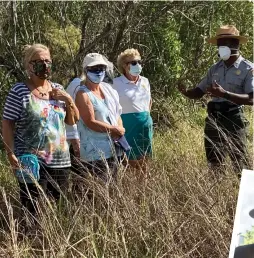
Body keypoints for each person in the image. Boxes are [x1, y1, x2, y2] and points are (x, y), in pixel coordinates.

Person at [1, 44, 79, 217]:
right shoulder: (19, 91)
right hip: (31, 161)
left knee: (59, 210)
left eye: (47, 61)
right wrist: (10, 153)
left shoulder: (58, 89)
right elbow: (7, 122)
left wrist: (67, 99)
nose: (44, 65)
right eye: (38, 61)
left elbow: (73, 120)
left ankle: (54, 243)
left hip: (61, 161)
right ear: (29, 65)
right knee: (33, 209)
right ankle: (33, 241)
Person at [178, 25, 253, 174]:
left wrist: (224, 94)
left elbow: (252, 98)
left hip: (234, 119)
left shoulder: (248, 68)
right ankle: (216, 194)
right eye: (218, 45)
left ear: (234, 44)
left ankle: (246, 196)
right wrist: (186, 92)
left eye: (222, 44)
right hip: (214, 119)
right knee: (214, 163)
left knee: (240, 163)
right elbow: (199, 91)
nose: (219, 48)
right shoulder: (215, 68)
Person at [72, 53, 125, 183]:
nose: (99, 71)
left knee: (115, 187)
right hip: (95, 152)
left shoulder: (108, 89)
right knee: (98, 190)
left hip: (114, 149)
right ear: (86, 70)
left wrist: (120, 129)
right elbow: (90, 121)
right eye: (94, 68)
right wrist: (114, 129)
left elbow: (117, 113)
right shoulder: (82, 93)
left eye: (101, 68)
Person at [113, 48, 153, 172]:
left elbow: (149, 102)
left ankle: (143, 191)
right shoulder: (115, 83)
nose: (138, 65)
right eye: (134, 63)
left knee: (144, 166)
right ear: (125, 66)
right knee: (128, 165)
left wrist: (145, 119)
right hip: (127, 128)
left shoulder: (145, 81)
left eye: (140, 62)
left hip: (145, 129)